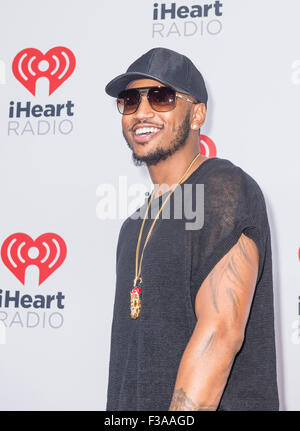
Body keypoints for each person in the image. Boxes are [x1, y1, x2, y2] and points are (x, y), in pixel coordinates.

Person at [104, 47, 279, 411]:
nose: (143, 112)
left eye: (162, 97)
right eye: (130, 101)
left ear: (197, 113)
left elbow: (220, 335)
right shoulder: (132, 227)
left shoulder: (225, 189)